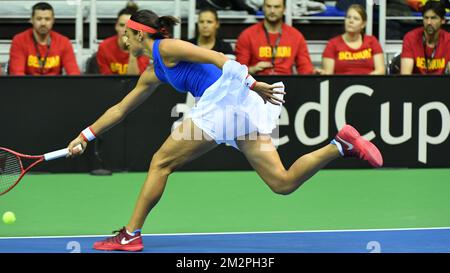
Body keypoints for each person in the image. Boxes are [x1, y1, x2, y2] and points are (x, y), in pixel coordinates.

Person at [67, 9, 383, 252]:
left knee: (160, 162)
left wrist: (253, 83)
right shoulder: (153, 71)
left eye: (126, 33)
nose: (123, 39)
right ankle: (340, 145)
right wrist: (85, 136)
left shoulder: (167, 48)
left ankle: (130, 236)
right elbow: (121, 109)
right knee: (282, 182)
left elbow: (219, 57)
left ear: (138, 34)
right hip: (238, 108)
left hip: (225, 100)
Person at [235, 0, 315, 75]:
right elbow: (238, 72)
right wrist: (253, 69)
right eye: (269, 6)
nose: (272, 11)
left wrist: (314, 73)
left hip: (287, 84)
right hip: (257, 83)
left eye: (277, 7)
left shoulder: (296, 36)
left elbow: (305, 69)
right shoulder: (247, 35)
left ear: (284, 9)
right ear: (263, 8)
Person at [8, 2, 80, 75]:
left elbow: (74, 73)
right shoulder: (19, 40)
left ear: (53, 21)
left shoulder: (64, 42)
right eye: (39, 19)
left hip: (55, 85)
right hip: (27, 85)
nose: (43, 23)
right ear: (31, 20)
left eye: (47, 19)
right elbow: (17, 75)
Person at [321, 4, 385, 75]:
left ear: (363, 24)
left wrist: (363, 81)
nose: (351, 21)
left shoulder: (372, 41)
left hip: (368, 84)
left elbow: (380, 71)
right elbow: (328, 75)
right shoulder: (332, 44)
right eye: (348, 17)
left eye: (356, 18)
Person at [96, 3, 150, 75]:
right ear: (116, 27)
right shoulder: (104, 47)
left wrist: (132, 51)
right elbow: (106, 81)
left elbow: (134, 80)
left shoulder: (143, 48)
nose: (125, 31)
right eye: (121, 25)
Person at [401, 1, 450, 74]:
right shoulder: (410, 38)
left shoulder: (448, 40)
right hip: (415, 84)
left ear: (442, 20)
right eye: (426, 18)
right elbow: (405, 76)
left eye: (433, 18)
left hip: (440, 84)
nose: (429, 22)